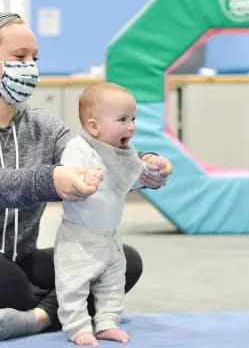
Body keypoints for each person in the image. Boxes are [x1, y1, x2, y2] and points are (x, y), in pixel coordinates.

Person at [0, 12, 173, 341]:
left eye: (34, 58)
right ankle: (58, 307)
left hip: (18, 263)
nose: (31, 66)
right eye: (19, 57)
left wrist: (144, 165)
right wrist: (52, 179)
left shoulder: (42, 124)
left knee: (121, 259)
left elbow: (92, 153)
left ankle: (37, 316)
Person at [54, 83, 167, 346]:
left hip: (110, 236)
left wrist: (152, 169)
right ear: (94, 127)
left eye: (133, 119)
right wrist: (84, 176)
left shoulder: (121, 153)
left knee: (113, 284)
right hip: (79, 236)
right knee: (74, 284)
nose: (131, 126)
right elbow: (68, 174)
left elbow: (133, 177)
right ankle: (77, 326)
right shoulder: (78, 147)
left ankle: (107, 322)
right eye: (122, 119)